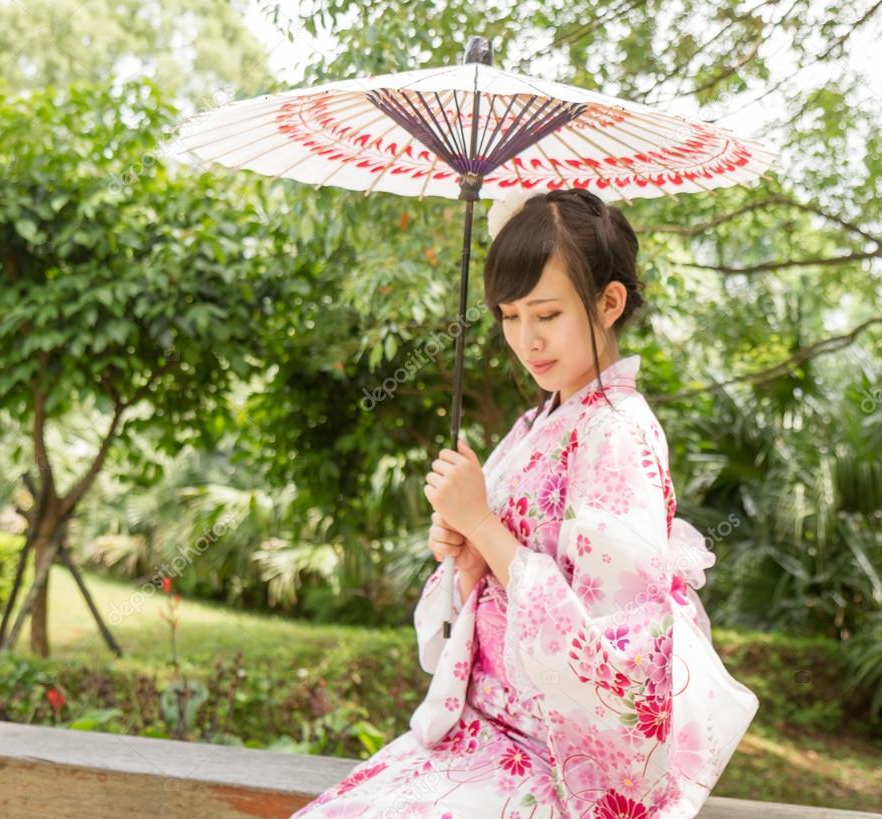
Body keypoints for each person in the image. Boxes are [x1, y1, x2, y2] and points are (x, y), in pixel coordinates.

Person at [290, 188, 759, 819]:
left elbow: (613, 651)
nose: (526, 340)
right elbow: (495, 582)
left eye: (547, 313)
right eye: (510, 316)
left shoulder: (618, 432)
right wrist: (468, 556)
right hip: (488, 729)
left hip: (556, 758)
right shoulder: (538, 424)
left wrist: (483, 524)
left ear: (609, 302)